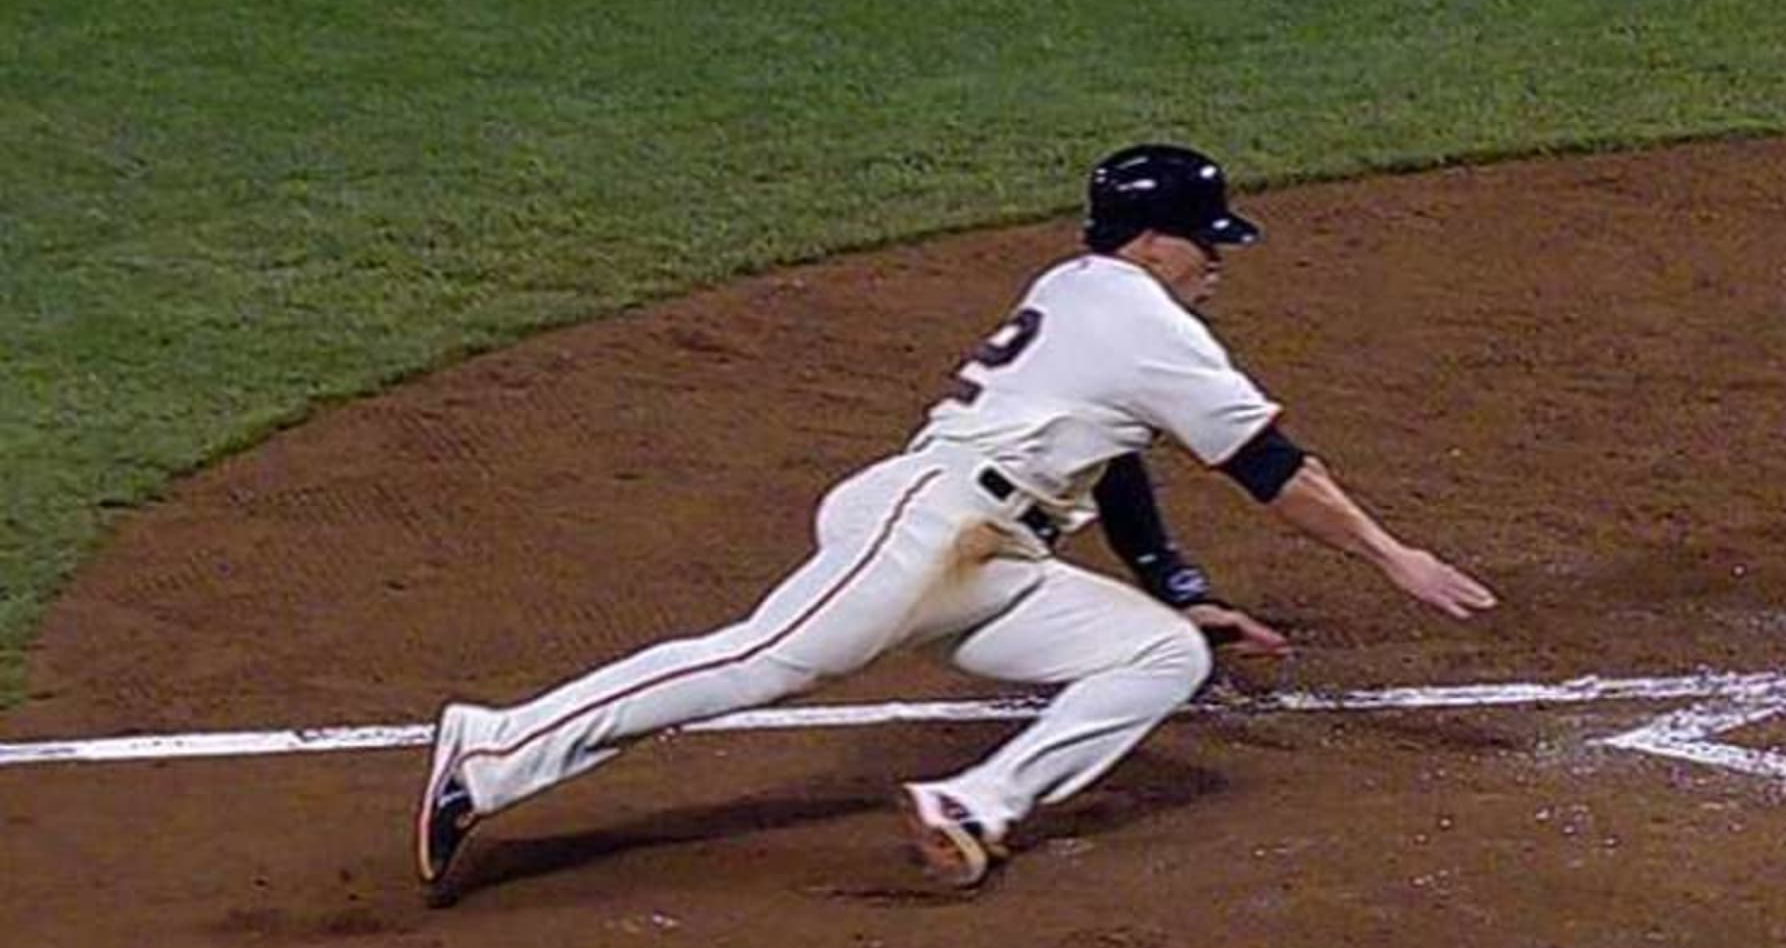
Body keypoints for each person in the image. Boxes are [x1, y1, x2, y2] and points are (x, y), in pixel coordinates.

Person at [414, 144, 1497, 895]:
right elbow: (1270, 467)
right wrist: (1393, 557)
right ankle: (498, 743)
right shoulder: (1139, 315)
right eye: (1202, 240)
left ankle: (975, 805)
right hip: (931, 524)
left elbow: (1116, 457)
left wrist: (1177, 591)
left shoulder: (1085, 296)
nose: (1217, 261)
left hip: (993, 554)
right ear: (1153, 241)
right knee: (768, 661)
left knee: (1158, 658)